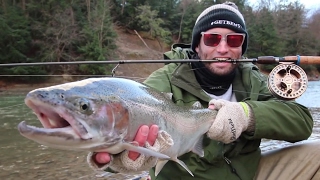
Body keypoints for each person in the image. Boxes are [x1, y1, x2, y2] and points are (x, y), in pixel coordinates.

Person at [88, 2, 320, 179]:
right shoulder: (164, 80)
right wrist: (119, 160)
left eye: (233, 40)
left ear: (241, 47)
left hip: (248, 174)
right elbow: (123, 124)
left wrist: (247, 115)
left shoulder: (254, 79)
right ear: (197, 45)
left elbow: (301, 122)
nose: (222, 48)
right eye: (212, 39)